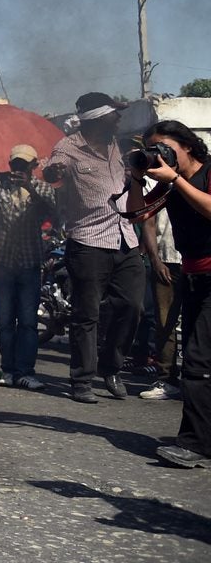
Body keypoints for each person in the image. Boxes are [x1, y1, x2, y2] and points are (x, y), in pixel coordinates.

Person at [44, 93, 142, 404]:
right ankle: (82, 380)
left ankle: (111, 368)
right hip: (88, 242)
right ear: (98, 118)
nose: (119, 119)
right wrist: (54, 175)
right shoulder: (68, 147)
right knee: (87, 314)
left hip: (125, 238)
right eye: (115, 114)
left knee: (132, 306)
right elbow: (53, 170)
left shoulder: (117, 144)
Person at [124, 120, 211, 467]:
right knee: (199, 362)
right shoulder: (170, 184)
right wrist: (135, 176)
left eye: (162, 146)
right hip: (192, 278)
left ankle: (193, 445)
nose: (157, 153)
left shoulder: (203, 174)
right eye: (151, 148)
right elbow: (135, 213)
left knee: (198, 361)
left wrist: (175, 180)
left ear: (187, 145)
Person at [0, 145, 58, 390]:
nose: (18, 169)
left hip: (29, 261)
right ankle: (8, 369)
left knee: (27, 321)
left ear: (33, 166)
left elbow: (53, 212)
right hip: (3, 260)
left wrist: (28, 186)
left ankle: (26, 371)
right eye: (15, 165)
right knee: (3, 320)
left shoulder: (42, 187)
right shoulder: (0, 187)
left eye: (24, 165)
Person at [140, 207, 183, 401]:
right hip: (167, 259)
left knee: (199, 323)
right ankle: (167, 379)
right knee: (165, 322)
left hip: (198, 261)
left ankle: (196, 380)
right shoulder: (162, 184)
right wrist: (155, 260)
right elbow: (148, 221)